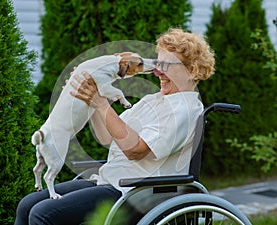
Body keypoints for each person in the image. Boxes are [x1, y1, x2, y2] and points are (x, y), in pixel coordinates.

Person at [15, 28, 215, 225]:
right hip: (112, 181)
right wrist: (88, 96)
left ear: (192, 70)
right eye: (157, 63)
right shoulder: (153, 100)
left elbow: (135, 150)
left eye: (166, 65)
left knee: (43, 214)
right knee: (27, 205)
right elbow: (108, 138)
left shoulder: (185, 109)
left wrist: (100, 103)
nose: (157, 71)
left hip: (138, 193)